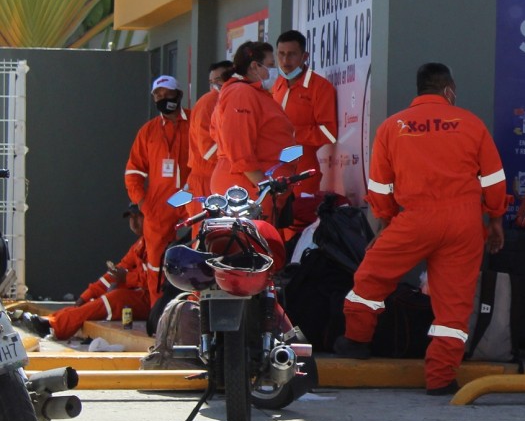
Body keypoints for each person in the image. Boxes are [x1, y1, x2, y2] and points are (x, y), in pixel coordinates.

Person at [334, 63, 507, 396]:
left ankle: (356, 341)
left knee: (370, 278)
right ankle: (440, 379)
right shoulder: (471, 124)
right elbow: (494, 180)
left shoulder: (391, 127)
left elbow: (381, 188)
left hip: (414, 219)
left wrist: (386, 224)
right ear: (448, 90)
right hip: (464, 222)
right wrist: (495, 220)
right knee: (454, 306)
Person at [15, 205, 150, 340]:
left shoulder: (158, 244)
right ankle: (50, 321)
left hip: (155, 302)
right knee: (108, 290)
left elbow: (156, 281)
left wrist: (127, 277)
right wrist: (85, 297)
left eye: (138, 216)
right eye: (131, 217)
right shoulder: (140, 244)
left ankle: (54, 327)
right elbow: (113, 275)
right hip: (143, 296)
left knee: (117, 297)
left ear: (150, 217)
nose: (134, 222)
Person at [210, 41, 297, 225]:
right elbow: (239, 147)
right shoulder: (241, 93)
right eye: (271, 65)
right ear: (255, 66)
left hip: (255, 189)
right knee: (249, 249)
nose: (275, 70)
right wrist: (264, 185)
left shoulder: (254, 93)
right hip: (246, 190)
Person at [125, 75, 190, 305]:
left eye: (167, 94)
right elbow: (133, 171)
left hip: (191, 199)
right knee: (156, 264)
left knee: (196, 257)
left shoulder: (195, 121)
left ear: (178, 94)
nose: (163, 99)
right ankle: (159, 317)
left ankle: (192, 315)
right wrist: (141, 204)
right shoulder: (148, 131)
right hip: (157, 206)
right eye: (158, 95)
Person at [272, 30, 338, 194]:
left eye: (292, 54)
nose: (285, 60)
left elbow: (329, 133)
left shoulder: (320, 87)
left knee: (301, 217)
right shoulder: (275, 85)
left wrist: (290, 134)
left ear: (305, 56)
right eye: (281, 54)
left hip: (303, 167)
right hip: (274, 168)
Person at [186, 59, 232, 214]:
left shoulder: (226, 99)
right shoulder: (208, 103)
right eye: (212, 81)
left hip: (217, 178)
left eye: (218, 80)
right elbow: (209, 152)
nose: (215, 85)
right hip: (205, 182)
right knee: (206, 235)